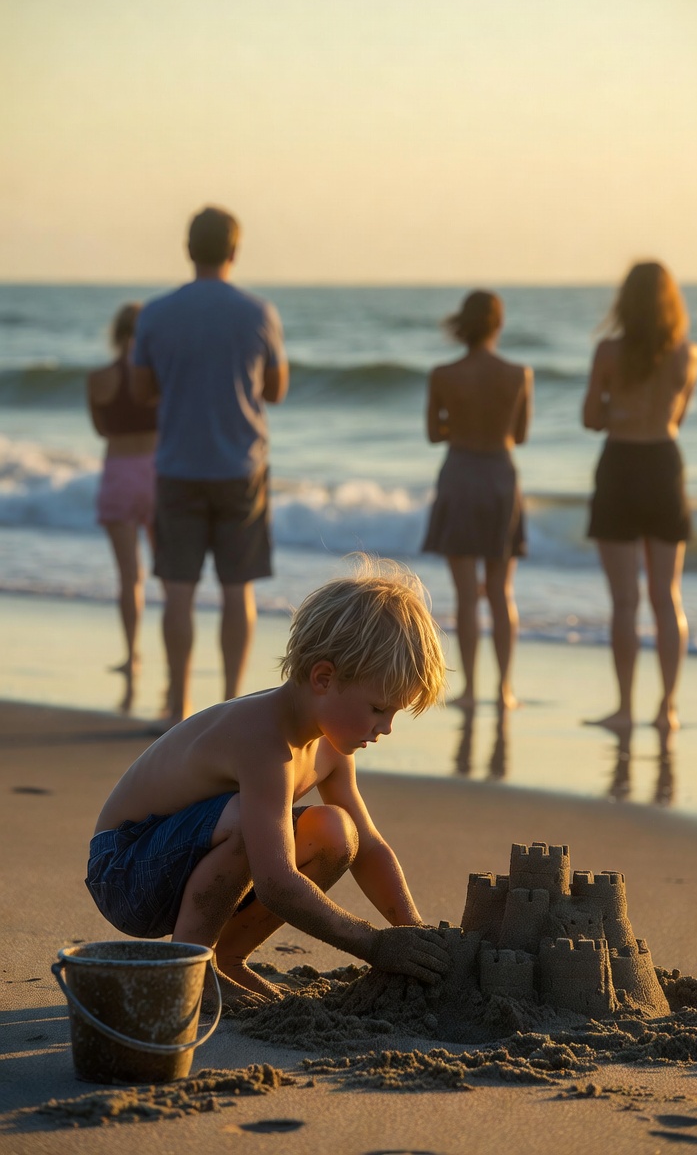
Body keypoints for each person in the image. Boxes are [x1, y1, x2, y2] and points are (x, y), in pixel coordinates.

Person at [85, 559, 451, 1010]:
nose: (387, 727)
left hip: (185, 866)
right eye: (378, 708)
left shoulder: (330, 747)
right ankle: (189, 969)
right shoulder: (262, 737)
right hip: (126, 869)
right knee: (247, 820)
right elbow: (276, 882)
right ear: (324, 678)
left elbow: (370, 849)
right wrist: (374, 946)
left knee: (338, 833)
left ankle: (227, 958)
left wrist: (410, 932)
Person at [132, 206, 289, 724]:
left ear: (187, 249)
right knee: (235, 588)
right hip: (240, 465)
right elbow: (277, 389)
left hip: (179, 463)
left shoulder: (154, 313)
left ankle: (177, 703)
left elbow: (140, 390)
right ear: (234, 252)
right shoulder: (258, 312)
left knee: (177, 588)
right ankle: (231, 703)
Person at [582, 261, 697, 733]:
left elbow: (592, 417)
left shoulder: (609, 351)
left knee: (625, 601)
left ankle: (625, 708)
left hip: (620, 465)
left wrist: (616, 407)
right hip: (664, 465)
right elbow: (680, 416)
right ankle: (667, 709)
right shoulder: (687, 353)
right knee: (666, 596)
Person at [423, 290, 533, 709]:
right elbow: (519, 435)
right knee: (502, 591)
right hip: (501, 477)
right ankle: (504, 689)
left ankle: (469, 690)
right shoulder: (519, 373)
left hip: (460, 475)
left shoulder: (443, 374)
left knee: (466, 595)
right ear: (498, 325)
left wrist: (460, 423)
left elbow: (434, 434)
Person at [87, 303, 157, 707]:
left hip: (118, 472)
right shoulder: (159, 379)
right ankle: (175, 662)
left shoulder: (97, 379)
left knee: (128, 576)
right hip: (158, 472)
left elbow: (101, 429)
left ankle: (132, 657)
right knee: (170, 576)